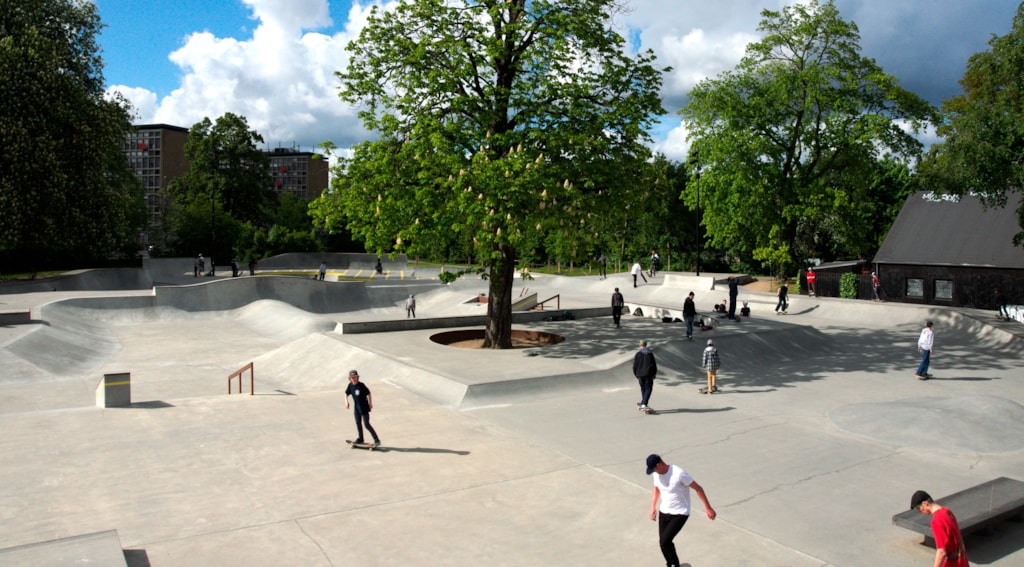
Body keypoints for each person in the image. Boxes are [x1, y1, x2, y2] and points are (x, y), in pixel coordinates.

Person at [646, 454, 716, 567]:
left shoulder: (679, 473)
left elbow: (698, 489)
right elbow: (656, 489)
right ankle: (671, 564)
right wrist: (652, 507)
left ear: (659, 465)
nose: (653, 472)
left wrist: (708, 508)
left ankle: (675, 565)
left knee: (665, 541)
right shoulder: (656, 474)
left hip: (680, 512)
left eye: (653, 469)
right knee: (663, 544)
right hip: (664, 511)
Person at [910, 490, 968, 567]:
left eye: (919, 508)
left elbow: (941, 552)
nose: (920, 511)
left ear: (925, 504)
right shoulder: (947, 511)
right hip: (961, 562)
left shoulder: (936, 521)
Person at [344, 370, 380, 446]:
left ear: (357, 377)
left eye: (355, 377)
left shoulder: (361, 385)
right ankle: (360, 438)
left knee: (366, 424)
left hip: (364, 408)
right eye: (352, 377)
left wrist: (370, 403)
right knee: (358, 423)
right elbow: (346, 393)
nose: (353, 379)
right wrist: (346, 402)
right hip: (356, 408)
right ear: (350, 378)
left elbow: (369, 393)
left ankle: (376, 439)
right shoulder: (350, 385)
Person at [633, 340, 657, 412]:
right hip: (648, 374)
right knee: (648, 388)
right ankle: (644, 404)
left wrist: (636, 374)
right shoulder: (650, 354)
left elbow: (635, 365)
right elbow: (653, 364)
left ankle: (644, 402)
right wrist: (654, 373)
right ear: (646, 345)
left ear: (640, 345)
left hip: (640, 374)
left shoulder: (638, 354)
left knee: (643, 388)